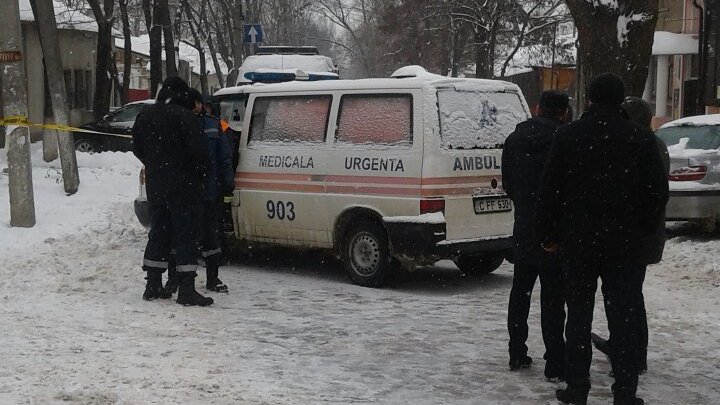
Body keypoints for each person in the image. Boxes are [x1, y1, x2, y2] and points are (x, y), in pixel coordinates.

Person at [536, 73, 668, 405]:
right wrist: (642, 230)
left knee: (577, 317)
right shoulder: (639, 139)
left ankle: (577, 387)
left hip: (577, 242)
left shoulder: (569, 136)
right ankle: (625, 392)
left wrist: (549, 234)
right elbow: (656, 194)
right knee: (622, 319)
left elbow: (549, 190)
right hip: (623, 245)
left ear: (590, 98)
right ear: (620, 99)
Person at [591, 96, 671, 374]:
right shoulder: (651, 144)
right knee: (630, 295)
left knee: (627, 297)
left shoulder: (645, 146)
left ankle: (630, 355)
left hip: (638, 236)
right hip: (643, 234)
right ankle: (628, 350)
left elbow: (649, 195)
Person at [501, 90, 568, 381]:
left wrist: (525, 205)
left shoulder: (514, 140)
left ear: (537, 107)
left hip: (524, 226)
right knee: (553, 299)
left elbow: (508, 183)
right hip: (553, 231)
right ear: (563, 112)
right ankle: (555, 360)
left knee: (520, 293)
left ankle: (516, 352)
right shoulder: (564, 140)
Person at [132, 76, 214, 307]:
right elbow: (199, 153)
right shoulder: (184, 117)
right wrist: (198, 175)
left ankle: (153, 285)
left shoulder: (145, 115)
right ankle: (186, 289)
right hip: (184, 187)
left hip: (157, 187)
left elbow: (136, 147)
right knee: (186, 235)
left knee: (159, 232)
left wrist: (156, 163)